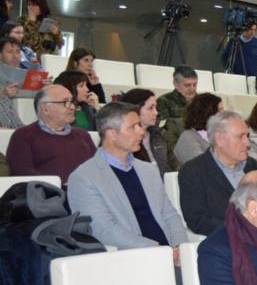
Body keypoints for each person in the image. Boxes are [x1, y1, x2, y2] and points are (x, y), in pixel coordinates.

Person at [67, 102, 188, 252]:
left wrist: (180, 247)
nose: (141, 132)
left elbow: (169, 214)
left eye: (139, 125)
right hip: (130, 258)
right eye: (132, 127)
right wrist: (158, 250)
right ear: (112, 134)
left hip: (168, 252)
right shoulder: (84, 177)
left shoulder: (147, 169)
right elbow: (103, 230)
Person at [179, 111, 257, 235]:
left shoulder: (254, 167)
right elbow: (197, 220)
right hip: (226, 242)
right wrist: (241, 230)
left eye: (247, 136)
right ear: (219, 139)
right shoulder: (193, 172)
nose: (247, 143)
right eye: (240, 137)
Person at [7, 85, 96, 185]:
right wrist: (60, 184)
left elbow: (98, 168)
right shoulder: (23, 136)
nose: (72, 107)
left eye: (72, 101)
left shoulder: (83, 135)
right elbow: (22, 174)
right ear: (45, 109)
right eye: (65, 102)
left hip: (88, 193)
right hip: (49, 196)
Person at [120, 88, 174, 175]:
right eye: (150, 108)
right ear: (135, 111)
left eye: (155, 108)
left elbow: (170, 167)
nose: (156, 112)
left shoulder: (158, 136)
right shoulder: (125, 142)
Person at [156, 65, 198, 152]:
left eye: (195, 84)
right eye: (187, 85)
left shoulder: (202, 101)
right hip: (176, 145)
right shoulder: (164, 101)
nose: (192, 89)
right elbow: (164, 130)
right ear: (176, 84)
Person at [173, 93, 223, 166]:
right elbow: (200, 169)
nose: (223, 115)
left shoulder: (219, 136)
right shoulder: (188, 138)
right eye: (219, 111)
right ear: (206, 113)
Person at [0, 38, 26, 129]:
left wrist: (44, 87)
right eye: (10, 52)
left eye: (18, 52)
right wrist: (2, 93)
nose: (15, 56)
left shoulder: (27, 74)